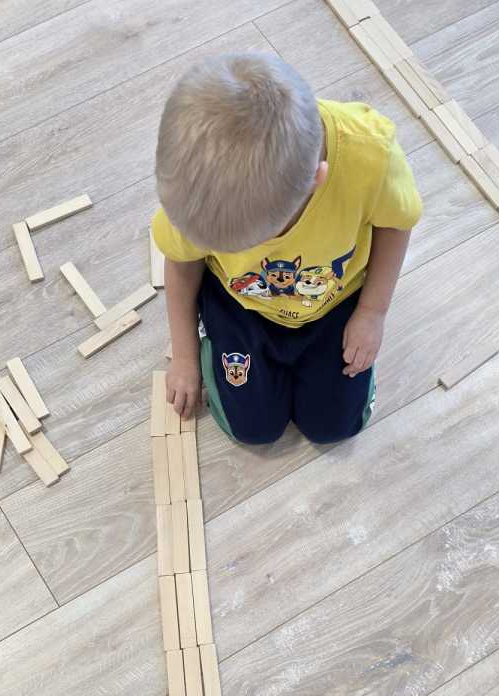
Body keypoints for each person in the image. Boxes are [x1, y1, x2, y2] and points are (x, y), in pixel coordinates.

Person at [152, 51, 423, 446]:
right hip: (240, 305)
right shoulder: (198, 192)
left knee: (335, 426)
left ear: (316, 180)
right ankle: (217, 325)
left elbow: (397, 224)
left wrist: (372, 312)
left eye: (251, 241)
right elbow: (180, 263)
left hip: (333, 301)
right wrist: (184, 355)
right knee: (253, 430)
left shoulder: (372, 154)